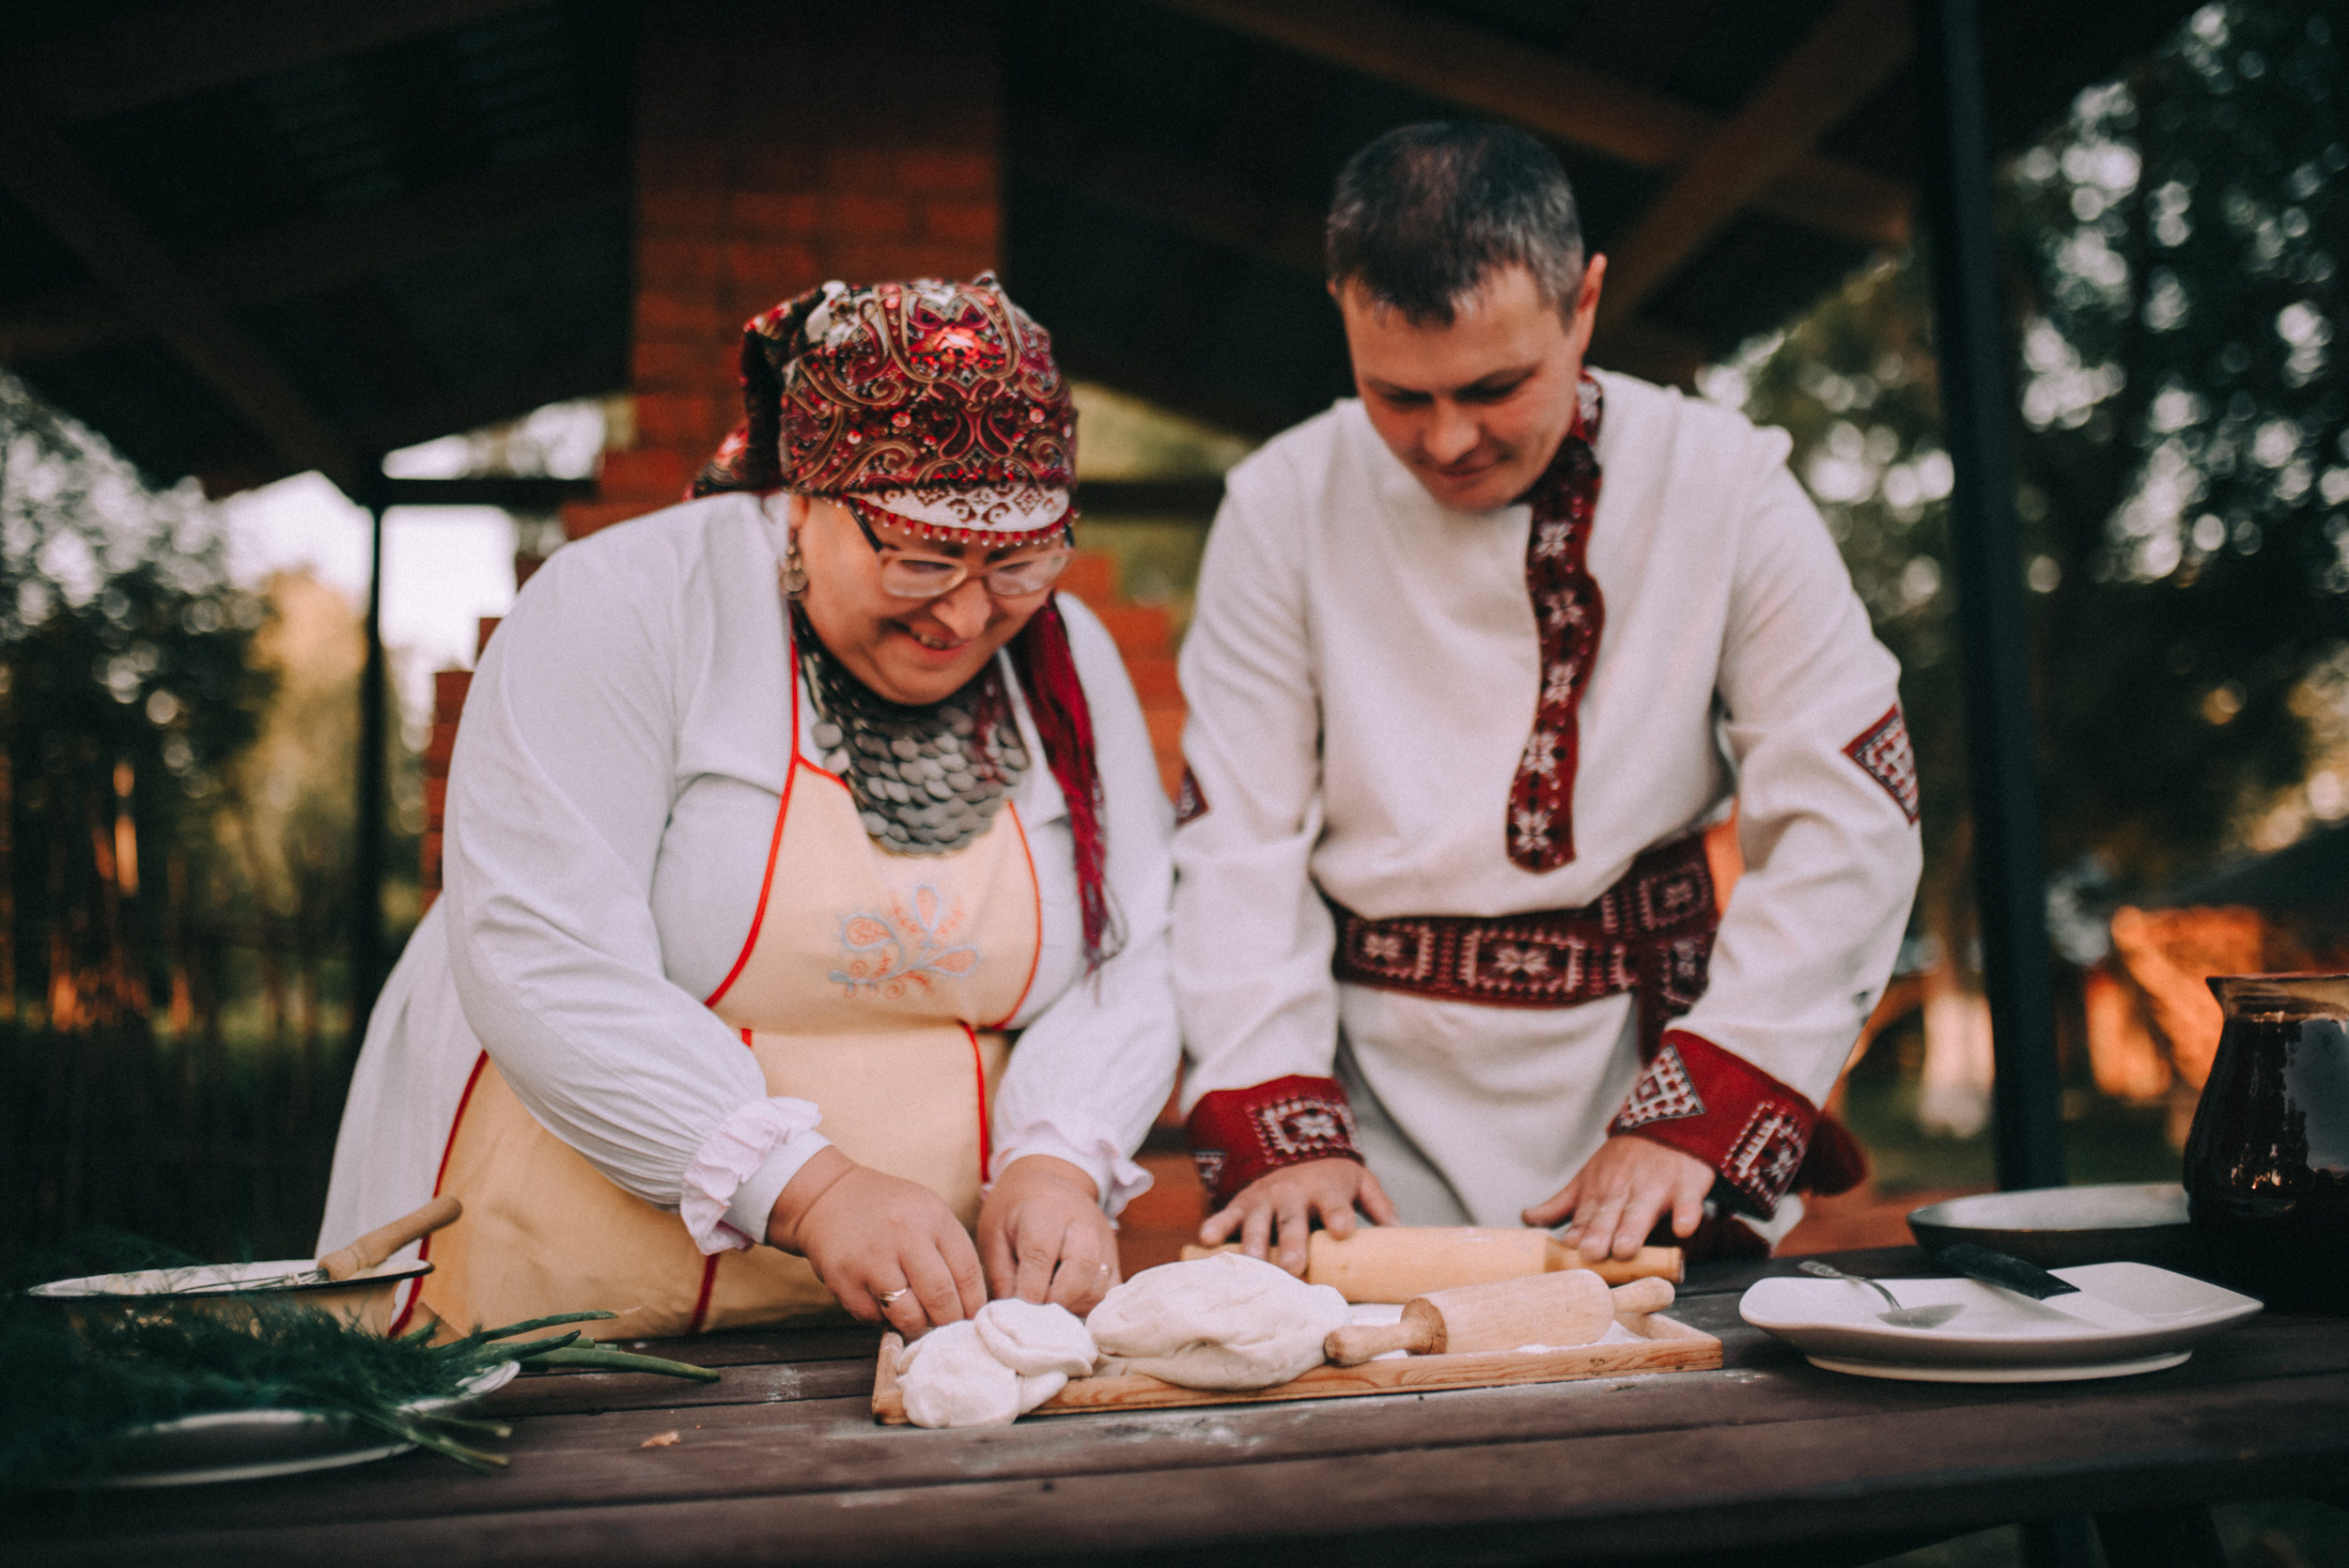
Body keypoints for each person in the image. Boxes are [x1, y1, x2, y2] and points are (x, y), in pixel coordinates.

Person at [320, 273, 1178, 1343]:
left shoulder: (1070, 660)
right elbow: (546, 954)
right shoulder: (623, 609)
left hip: (886, 1323)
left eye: (1015, 562)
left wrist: (1059, 1155)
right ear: (804, 498)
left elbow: (1129, 954)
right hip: (553, 1310)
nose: (966, 612)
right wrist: (808, 1188)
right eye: (920, 559)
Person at [1172, 123, 1921, 1272]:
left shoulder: (1723, 485)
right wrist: (1283, 1129)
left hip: (1651, 1065)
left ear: (1583, 306)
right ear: (1341, 313)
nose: (1448, 439)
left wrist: (1695, 1113)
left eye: (1494, 386)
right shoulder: (1280, 505)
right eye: (1397, 396)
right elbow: (1237, 840)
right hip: (1367, 1105)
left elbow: (1848, 808)